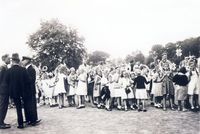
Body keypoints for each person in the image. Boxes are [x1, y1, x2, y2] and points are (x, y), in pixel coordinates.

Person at [5, 53, 30, 128]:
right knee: (26, 106)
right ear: (18, 61)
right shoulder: (23, 69)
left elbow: (6, 81)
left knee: (18, 108)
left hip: (14, 92)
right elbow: (28, 80)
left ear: (12, 61)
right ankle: (28, 120)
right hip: (23, 91)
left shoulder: (9, 71)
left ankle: (20, 123)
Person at [22, 56, 41, 125]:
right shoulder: (26, 69)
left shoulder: (31, 69)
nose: (22, 61)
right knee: (27, 105)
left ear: (27, 60)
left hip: (30, 90)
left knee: (31, 105)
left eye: (23, 60)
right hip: (27, 90)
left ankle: (33, 120)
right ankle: (28, 119)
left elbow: (31, 80)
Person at [0, 54, 11, 129]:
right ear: (4, 59)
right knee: (2, 106)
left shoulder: (5, 67)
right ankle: (0, 123)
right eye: (8, 58)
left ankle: (2, 121)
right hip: (3, 90)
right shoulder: (2, 67)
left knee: (4, 106)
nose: (10, 59)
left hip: (5, 90)